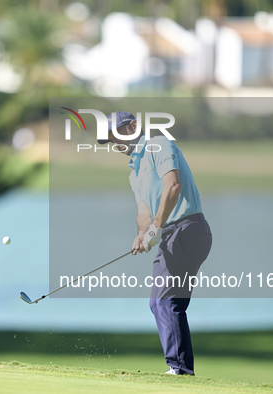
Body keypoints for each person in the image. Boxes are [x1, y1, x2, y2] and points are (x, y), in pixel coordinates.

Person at [99, 111, 212, 376]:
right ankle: (180, 367)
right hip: (174, 233)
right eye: (110, 139)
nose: (115, 143)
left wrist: (157, 228)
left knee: (166, 301)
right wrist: (143, 235)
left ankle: (180, 369)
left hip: (187, 229)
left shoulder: (158, 145)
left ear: (134, 127)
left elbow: (173, 186)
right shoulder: (133, 171)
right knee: (161, 302)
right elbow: (143, 213)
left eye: (117, 134)